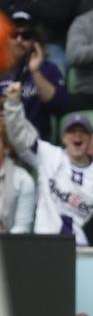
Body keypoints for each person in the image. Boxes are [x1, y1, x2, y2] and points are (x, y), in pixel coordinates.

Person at [3, 82, 93, 245]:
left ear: (90, 139)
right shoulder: (49, 155)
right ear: (64, 138)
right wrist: (13, 105)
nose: (77, 136)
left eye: (82, 132)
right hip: (45, 242)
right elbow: (20, 136)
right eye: (72, 132)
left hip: (81, 249)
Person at [0, 11, 69, 142]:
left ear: (34, 42)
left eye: (26, 36)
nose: (19, 40)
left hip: (36, 145)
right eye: (14, 35)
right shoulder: (1, 69)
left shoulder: (48, 69)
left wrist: (35, 72)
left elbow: (61, 106)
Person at [0, 0, 80, 71]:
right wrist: (43, 7)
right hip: (14, 39)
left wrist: (23, 6)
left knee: (56, 67)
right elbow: (4, 10)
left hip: (50, 42)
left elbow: (61, 14)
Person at [0, 98, 35, 233]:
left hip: (8, 248)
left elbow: (23, 228)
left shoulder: (23, 180)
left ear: (6, 148)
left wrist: (5, 237)